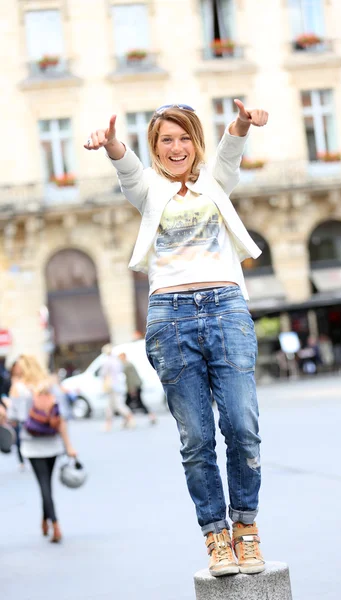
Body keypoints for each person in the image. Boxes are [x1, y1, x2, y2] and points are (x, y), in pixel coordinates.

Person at [85, 99, 268, 576]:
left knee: (242, 426)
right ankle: (216, 538)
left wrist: (243, 123)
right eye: (166, 139)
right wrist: (111, 146)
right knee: (196, 439)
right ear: (155, 147)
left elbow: (231, 151)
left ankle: (245, 529)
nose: (177, 146)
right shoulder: (147, 188)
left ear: (196, 141)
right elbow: (127, 169)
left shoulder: (216, 181)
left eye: (185, 136)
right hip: (171, 317)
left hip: (226, 309)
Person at [7, 354, 77, 543]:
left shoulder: (18, 389)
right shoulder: (50, 386)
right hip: (53, 442)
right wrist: (68, 445)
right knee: (47, 484)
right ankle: (45, 520)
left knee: (43, 484)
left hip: (31, 442)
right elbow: (61, 418)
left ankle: (55, 524)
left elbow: (14, 417)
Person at [100, 344, 135, 431]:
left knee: (116, 405)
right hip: (118, 385)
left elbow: (103, 374)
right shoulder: (116, 360)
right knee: (112, 406)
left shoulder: (107, 361)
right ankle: (112, 423)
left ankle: (129, 418)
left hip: (111, 386)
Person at [118, 352, 157, 425]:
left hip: (134, 387)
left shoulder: (127, 365)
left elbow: (131, 379)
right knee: (129, 403)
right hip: (134, 386)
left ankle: (151, 416)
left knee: (137, 403)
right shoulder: (128, 364)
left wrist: (132, 389)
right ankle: (127, 420)